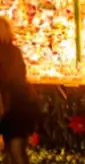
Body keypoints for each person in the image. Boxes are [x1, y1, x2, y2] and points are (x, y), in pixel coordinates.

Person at [0, 17, 36, 164]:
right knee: (16, 149)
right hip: (19, 106)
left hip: (11, 106)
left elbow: (7, 79)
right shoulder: (13, 52)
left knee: (14, 150)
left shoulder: (8, 53)